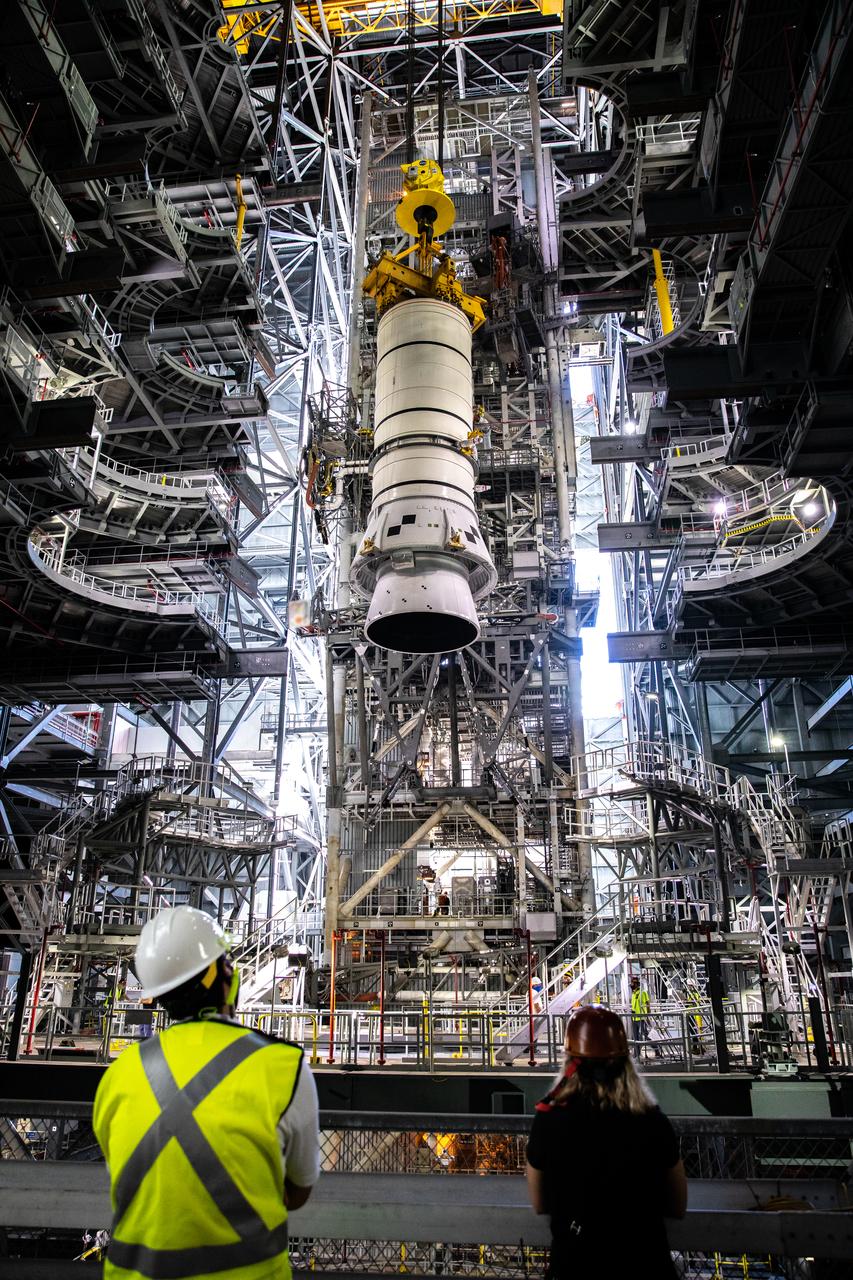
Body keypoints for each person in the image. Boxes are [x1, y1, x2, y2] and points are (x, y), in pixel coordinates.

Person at [93, 906, 319, 1279]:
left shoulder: (118, 1075)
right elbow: (297, 1193)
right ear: (225, 976)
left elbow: (133, 1176)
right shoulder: (284, 1068)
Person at [525, 1006, 687, 1279]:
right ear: (625, 1063)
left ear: (570, 1062)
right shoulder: (651, 1121)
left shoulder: (549, 1121)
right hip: (645, 1262)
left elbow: (540, 1203)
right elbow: (677, 1206)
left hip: (576, 1262)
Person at [630, 973, 651, 1058]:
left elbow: (647, 1004)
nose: (631, 985)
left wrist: (648, 1016)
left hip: (642, 1018)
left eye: (632, 983)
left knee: (646, 1035)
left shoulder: (643, 992)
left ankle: (656, 1048)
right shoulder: (634, 993)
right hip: (634, 1019)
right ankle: (637, 1055)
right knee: (636, 1038)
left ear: (636, 983)